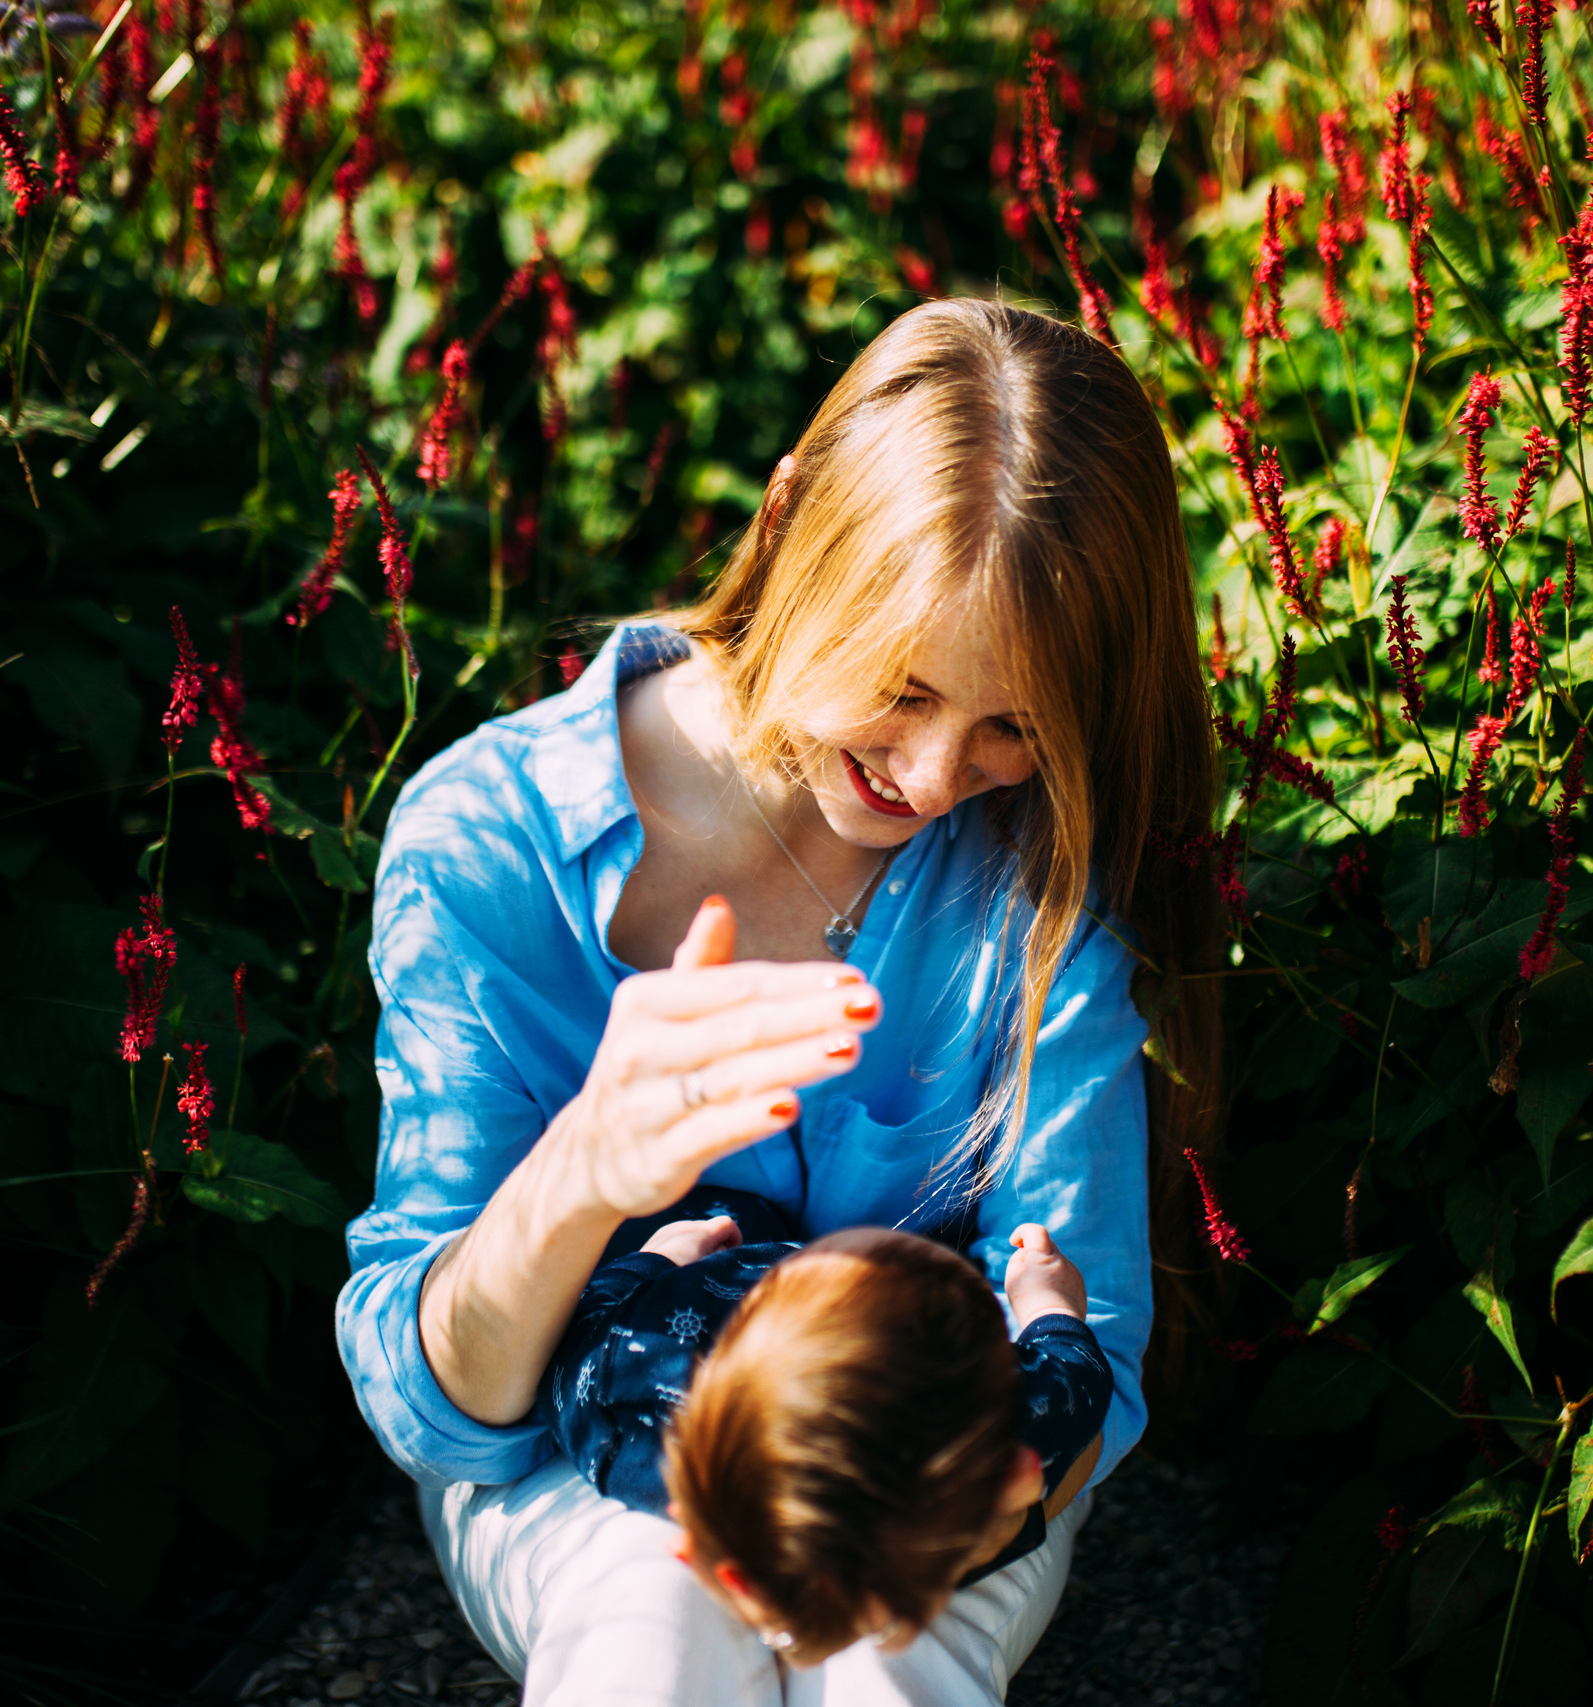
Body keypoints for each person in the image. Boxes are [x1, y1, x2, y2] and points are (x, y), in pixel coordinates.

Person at [338, 298, 1223, 1707]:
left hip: (934, 1450)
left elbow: (1089, 1337)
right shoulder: (491, 836)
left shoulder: (1039, 879)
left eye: (1015, 725)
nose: (936, 778)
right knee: (648, 1617)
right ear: (791, 520)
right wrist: (583, 1172)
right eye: (906, 683)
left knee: (893, 1647)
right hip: (588, 1456)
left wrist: (923, 1503)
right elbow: (430, 1401)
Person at [542, 1199, 1113, 1666]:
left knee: (739, 1214)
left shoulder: (632, 1400)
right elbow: (1074, 1380)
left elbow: (1070, 1383)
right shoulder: (624, 1428)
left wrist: (662, 1256)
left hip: (710, 1294)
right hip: (744, 1294)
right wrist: (1048, 1302)